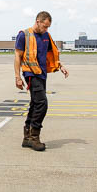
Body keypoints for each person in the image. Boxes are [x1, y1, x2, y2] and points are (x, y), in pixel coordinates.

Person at [14, 11, 69, 151]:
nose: (46, 29)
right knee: (42, 103)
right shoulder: (24, 35)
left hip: (42, 74)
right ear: (38, 21)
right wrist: (17, 77)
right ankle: (34, 137)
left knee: (35, 103)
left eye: (48, 27)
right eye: (45, 26)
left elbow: (52, 54)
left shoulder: (46, 36)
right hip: (30, 73)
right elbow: (17, 56)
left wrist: (60, 66)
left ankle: (27, 137)